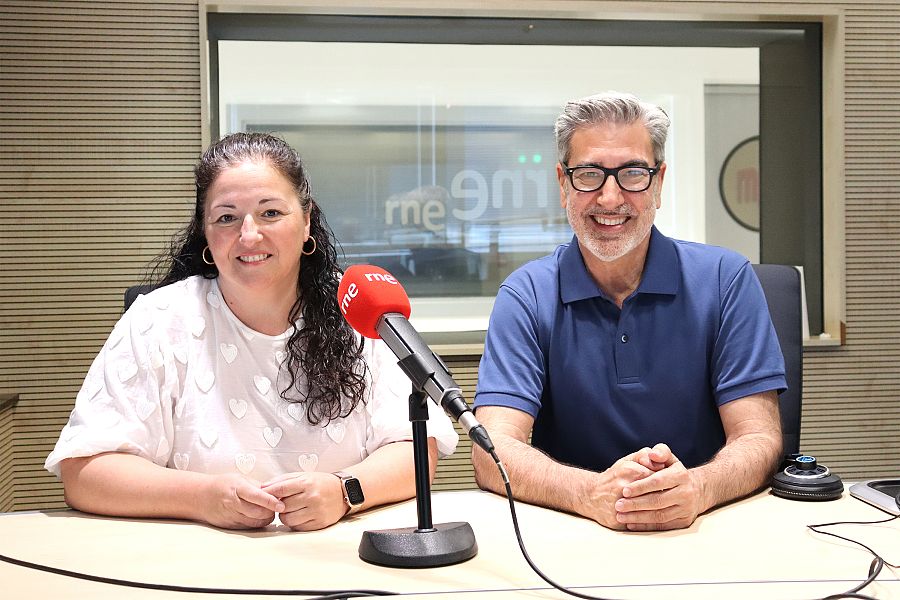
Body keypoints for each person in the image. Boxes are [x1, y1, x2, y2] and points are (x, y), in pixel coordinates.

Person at [46, 132, 458, 531]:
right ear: (204, 232)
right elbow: (85, 471)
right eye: (226, 217)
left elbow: (416, 447)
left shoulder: (358, 309)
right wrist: (200, 497)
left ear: (307, 220)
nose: (248, 235)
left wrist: (345, 490)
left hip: (341, 556)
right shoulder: (158, 318)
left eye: (271, 213)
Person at [471, 91, 786, 532]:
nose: (609, 197)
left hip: (708, 528)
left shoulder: (725, 279)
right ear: (563, 184)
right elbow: (492, 450)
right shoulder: (526, 295)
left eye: (633, 173)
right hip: (571, 530)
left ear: (658, 183)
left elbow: (759, 437)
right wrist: (591, 493)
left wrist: (697, 488)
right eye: (589, 175)